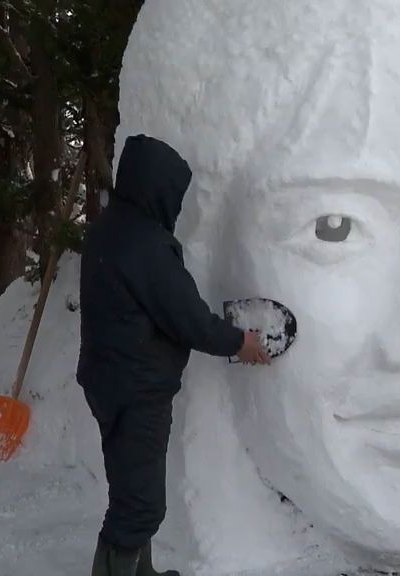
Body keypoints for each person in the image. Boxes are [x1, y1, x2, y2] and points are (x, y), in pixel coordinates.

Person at [77, 133, 270, 576]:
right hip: (136, 389)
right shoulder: (146, 245)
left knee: (131, 494)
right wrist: (241, 343)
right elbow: (189, 318)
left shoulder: (110, 229)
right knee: (140, 506)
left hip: (111, 382)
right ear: (157, 187)